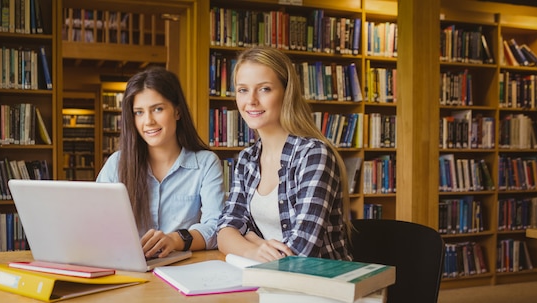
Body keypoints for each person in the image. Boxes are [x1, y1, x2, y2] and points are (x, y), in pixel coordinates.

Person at [217, 46, 352, 262]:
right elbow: (224, 231)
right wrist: (254, 249)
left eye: (264, 89)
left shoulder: (313, 155)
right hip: (266, 274)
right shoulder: (247, 159)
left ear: (286, 93)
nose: (251, 100)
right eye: (243, 90)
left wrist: (248, 236)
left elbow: (300, 251)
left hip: (321, 285)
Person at [97, 66, 224, 259]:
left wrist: (175, 240)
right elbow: (96, 222)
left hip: (184, 270)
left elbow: (216, 227)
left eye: (157, 109)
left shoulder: (206, 163)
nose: (148, 121)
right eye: (139, 112)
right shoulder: (117, 164)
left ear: (177, 111)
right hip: (130, 268)